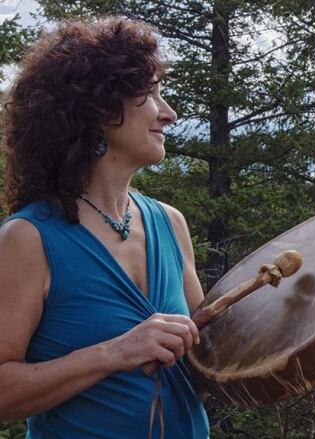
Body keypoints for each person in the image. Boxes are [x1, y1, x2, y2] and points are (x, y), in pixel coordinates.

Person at [0, 17, 209, 438]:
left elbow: (210, 357)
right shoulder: (29, 238)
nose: (168, 114)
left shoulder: (170, 223)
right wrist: (115, 352)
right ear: (99, 109)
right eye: (149, 94)